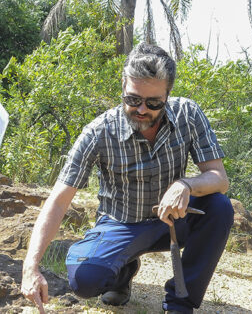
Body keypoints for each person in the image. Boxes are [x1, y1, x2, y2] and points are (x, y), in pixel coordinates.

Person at [20, 43, 234, 314]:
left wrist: (185, 184)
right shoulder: (99, 132)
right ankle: (122, 271)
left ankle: (181, 302)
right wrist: (31, 267)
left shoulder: (188, 115)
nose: (142, 109)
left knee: (219, 208)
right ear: (122, 87)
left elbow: (219, 179)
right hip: (121, 223)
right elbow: (59, 200)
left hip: (173, 218)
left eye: (153, 103)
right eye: (133, 99)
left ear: (168, 95)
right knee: (85, 281)